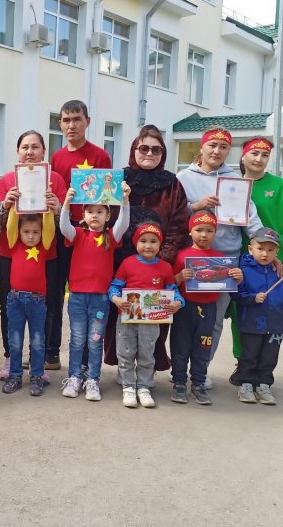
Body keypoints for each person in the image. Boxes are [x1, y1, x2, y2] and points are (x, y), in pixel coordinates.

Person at [176, 127, 264, 388]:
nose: (216, 151)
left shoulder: (234, 181)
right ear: (201, 147)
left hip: (224, 259)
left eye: (223, 147)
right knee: (185, 319)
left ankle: (201, 370)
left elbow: (250, 218)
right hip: (191, 260)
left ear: (228, 151)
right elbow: (174, 213)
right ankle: (180, 371)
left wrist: (265, 243)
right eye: (212, 145)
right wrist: (196, 206)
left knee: (213, 319)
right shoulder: (183, 178)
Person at [104, 125, 189, 375]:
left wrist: (161, 260)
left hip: (157, 263)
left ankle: (146, 370)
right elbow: (104, 215)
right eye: (144, 148)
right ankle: (123, 367)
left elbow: (179, 225)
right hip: (121, 262)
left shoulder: (172, 184)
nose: (149, 153)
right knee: (121, 317)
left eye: (156, 149)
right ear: (134, 150)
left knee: (153, 320)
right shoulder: (118, 179)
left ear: (163, 153)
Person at [0, 130, 66, 380]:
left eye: (35, 147)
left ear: (44, 151)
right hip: (10, 253)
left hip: (46, 254)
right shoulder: (7, 180)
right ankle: (10, 357)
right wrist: (6, 204)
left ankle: (40, 359)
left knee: (47, 305)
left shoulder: (55, 179)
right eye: (25, 147)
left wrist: (58, 208)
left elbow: (64, 223)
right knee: (8, 305)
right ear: (17, 152)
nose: (30, 152)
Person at [49, 100, 111, 369]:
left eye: (76, 119)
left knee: (87, 295)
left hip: (89, 235)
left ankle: (86, 359)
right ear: (60, 124)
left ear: (87, 121)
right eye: (66, 120)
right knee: (55, 291)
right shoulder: (56, 158)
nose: (71, 125)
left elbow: (107, 198)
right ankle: (51, 352)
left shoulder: (100, 156)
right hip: (63, 230)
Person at [59, 183, 130, 402]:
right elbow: (64, 227)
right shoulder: (78, 234)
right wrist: (66, 203)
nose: (95, 215)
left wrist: (125, 200)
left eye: (100, 211)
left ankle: (93, 380)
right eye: (90, 211)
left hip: (100, 299)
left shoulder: (111, 236)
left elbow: (123, 224)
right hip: (77, 297)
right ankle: (74, 377)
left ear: (108, 216)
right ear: (83, 215)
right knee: (77, 339)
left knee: (95, 340)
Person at [108, 224, 184, 408]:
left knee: (147, 354)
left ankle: (144, 386)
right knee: (125, 352)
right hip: (127, 318)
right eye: (143, 241)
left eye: (153, 241)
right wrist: (116, 299)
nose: (148, 246)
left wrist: (177, 303)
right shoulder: (128, 263)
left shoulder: (165, 267)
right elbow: (115, 286)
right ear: (136, 243)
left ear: (160, 245)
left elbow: (173, 291)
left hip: (151, 321)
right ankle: (128, 386)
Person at [171, 213, 243, 405]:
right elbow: (171, 284)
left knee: (203, 347)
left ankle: (199, 383)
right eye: (199, 230)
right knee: (180, 347)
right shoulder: (182, 255)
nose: (204, 235)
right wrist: (179, 277)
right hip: (184, 309)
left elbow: (230, 284)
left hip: (209, 309)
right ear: (190, 231)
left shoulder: (221, 259)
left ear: (215, 233)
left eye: (209, 231)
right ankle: (179, 383)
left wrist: (237, 277)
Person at [230, 228, 283, 405]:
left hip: (275, 324)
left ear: (277, 252)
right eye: (260, 249)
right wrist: (253, 298)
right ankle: (245, 384)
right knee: (249, 355)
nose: (265, 254)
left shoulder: (279, 271)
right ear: (250, 249)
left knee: (270, 357)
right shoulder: (243, 271)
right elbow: (236, 295)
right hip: (251, 323)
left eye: (270, 250)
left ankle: (264, 385)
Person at [2, 213, 53, 397]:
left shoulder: (44, 247)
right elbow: (10, 226)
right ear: (19, 232)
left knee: (38, 342)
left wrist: (47, 211)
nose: (31, 236)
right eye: (26, 231)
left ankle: (36, 376)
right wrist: (14, 208)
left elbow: (49, 228)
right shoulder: (14, 244)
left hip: (37, 302)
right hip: (15, 300)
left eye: (35, 232)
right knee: (15, 342)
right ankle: (15, 375)